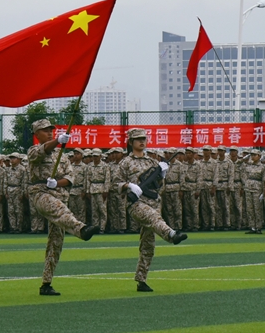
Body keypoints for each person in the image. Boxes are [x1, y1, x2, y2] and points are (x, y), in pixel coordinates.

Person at [26, 119, 99, 296]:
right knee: (58, 209)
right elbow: (41, 152)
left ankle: (46, 283)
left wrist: (57, 183)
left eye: (51, 130)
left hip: (59, 193)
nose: (49, 132)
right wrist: (57, 141)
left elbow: (70, 177)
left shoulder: (62, 156)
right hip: (41, 193)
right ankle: (81, 229)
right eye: (45, 130)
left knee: (55, 243)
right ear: (37, 134)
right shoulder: (33, 150)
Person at [115, 128, 187, 292]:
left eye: (144, 139)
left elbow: (158, 186)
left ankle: (141, 280)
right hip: (136, 204)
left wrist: (162, 174)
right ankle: (171, 234)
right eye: (138, 139)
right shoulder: (125, 162)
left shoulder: (152, 162)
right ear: (131, 142)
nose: (142, 141)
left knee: (148, 245)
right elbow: (115, 184)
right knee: (153, 217)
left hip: (153, 202)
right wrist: (128, 185)